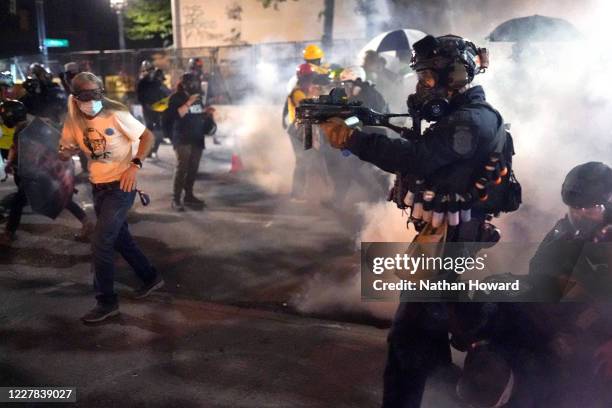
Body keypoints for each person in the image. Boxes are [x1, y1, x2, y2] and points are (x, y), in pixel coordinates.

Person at [319, 34, 519, 407]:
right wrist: (359, 122)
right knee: (430, 337)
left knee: (407, 342)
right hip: (445, 237)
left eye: (427, 77)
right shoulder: (462, 116)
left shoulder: (469, 122)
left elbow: (417, 158)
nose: (420, 85)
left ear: (455, 76)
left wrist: (352, 139)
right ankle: (464, 393)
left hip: (448, 242)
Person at [59, 72, 162, 323]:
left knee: (101, 242)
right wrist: (66, 152)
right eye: (87, 95)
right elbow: (63, 152)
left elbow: (148, 137)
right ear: (75, 98)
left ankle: (106, 302)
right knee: (121, 240)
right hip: (99, 187)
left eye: (97, 93)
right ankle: (150, 278)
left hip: (121, 186)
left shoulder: (116, 113)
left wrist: (134, 165)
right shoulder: (73, 120)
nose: (93, 100)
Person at [0, 99, 94, 245]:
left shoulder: (22, 130)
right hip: (47, 171)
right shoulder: (34, 124)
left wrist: (11, 164)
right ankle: (86, 222)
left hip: (36, 173)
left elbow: (18, 149)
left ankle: (8, 234)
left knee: (18, 201)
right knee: (60, 198)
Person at [165, 73, 216, 211]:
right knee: (182, 168)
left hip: (196, 137)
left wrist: (206, 113)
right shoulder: (176, 98)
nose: (195, 85)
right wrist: (189, 102)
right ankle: (175, 199)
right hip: (182, 137)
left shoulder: (198, 98)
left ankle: (188, 195)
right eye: (192, 82)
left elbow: (197, 114)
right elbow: (176, 115)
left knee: (193, 168)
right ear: (185, 84)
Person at [137, 65, 170, 159]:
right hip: (149, 110)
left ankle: (153, 150)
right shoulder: (146, 84)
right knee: (150, 129)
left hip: (158, 111)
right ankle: (147, 150)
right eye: (159, 79)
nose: (160, 81)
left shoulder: (161, 86)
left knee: (159, 131)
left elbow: (167, 95)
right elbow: (141, 97)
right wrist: (146, 105)